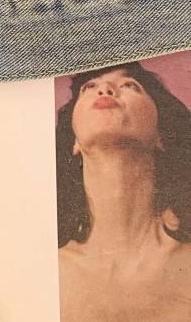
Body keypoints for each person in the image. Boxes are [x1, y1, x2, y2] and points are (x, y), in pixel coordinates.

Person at [56, 62, 191, 321]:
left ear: (161, 134)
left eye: (130, 85)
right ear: (74, 140)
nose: (105, 88)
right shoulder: (46, 271)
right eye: (89, 87)